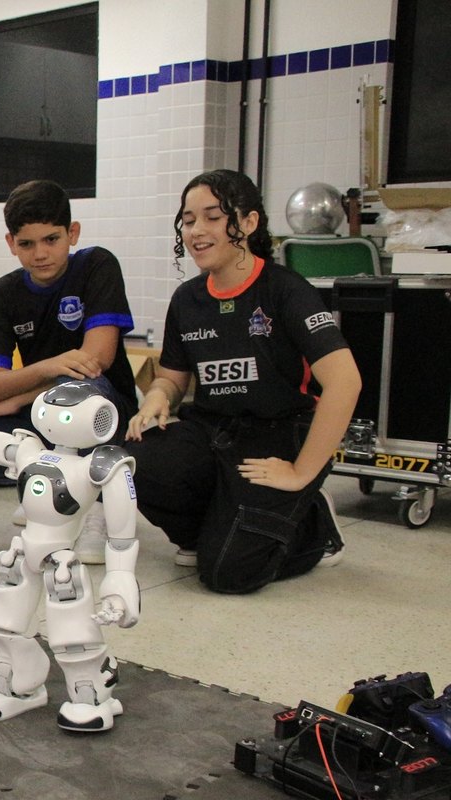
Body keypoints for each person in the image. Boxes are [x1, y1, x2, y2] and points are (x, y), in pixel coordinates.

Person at [125, 169, 360, 594]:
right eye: (189, 219)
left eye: (213, 217)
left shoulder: (286, 290)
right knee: (132, 460)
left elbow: (345, 382)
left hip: (279, 435)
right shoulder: (188, 299)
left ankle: (313, 525)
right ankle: (211, 531)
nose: (197, 230)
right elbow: (173, 378)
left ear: (248, 223)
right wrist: (157, 397)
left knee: (229, 575)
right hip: (215, 430)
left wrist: (300, 472)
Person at [0, 179, 137, 562]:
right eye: (27, 244)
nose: (40, 254)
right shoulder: (3, 293)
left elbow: (94, 360)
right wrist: (41, 372)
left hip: (100, 411)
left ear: (73, 233)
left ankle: (92, 509)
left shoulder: (97, 265)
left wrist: (17, 396)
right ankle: (42, 490)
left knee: (84, 395)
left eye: (51, 240)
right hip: (39, 415)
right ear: (10, 243)